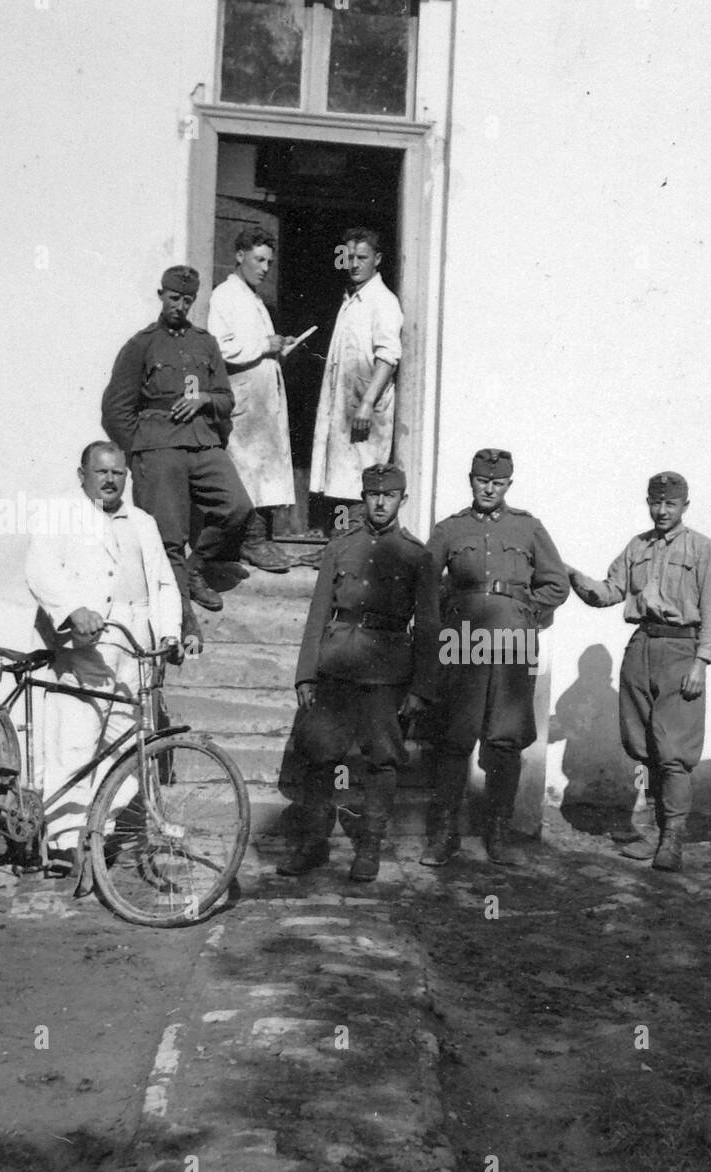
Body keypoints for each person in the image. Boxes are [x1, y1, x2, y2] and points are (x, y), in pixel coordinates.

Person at [24, 442, 193, 875]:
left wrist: (170, 632)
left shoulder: (143, 523)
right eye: (101, 472)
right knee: (76, 742)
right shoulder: (62, 516)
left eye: (118, 473)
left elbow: (163, 584)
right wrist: (71, 611)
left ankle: (98, 829)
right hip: (84, 649)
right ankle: (62, 842)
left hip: (134, 651)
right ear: (82, 474)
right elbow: (41, 571)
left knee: (130, 747)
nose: (111, 479)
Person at [277, 464, 439, 882]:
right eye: (372, 495)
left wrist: (421, 687)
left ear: (403, 499)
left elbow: (428, 627)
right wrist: (305, 674)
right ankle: (313, 844)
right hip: (337, 667)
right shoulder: (339, 547)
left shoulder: (417, 555)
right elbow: (318, 614)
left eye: (389, 496)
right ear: (363, 497)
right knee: (318, 754)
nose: (380, 503)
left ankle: (369, 848)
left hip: (386, 671)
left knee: (382, 761)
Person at [567, 471, 711, 871]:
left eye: (670, 504)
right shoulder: (637, 546)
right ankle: (654, 835)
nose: (661, 510)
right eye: (655, 503)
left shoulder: (702, 549)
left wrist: (701, 662)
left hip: (682, 650)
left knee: (673, 752)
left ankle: (672, 839)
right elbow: (609, 591)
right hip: (641, 647)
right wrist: (571, 577)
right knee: (643, 746)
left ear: (685, 506)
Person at [421, 448, 569, 867]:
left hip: (513, 641)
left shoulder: (529, 528)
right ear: (471, 480)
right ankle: (445, 833)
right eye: (482, 481)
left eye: (498, 483)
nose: (489, 488)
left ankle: (498, 831)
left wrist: (526, 615)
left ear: (508, 485)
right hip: (462, 638)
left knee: (505, 738)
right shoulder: (450, 529)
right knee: (454, 736)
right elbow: (427, 586)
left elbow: (556, 584)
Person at [101, 265, 254, 633]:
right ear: (161, 295)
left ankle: (197, 569)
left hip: (203, 442)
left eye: (187, 300)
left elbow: (226, 399)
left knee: (238, 507)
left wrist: (204, 398)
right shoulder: (141, 345)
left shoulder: (206, 343)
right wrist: (140, 451)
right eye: (174, 298)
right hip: (158, 449)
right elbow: (115, 410)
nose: (180, 306)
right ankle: (182, 618)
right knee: (167, 536)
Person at [207, 226, 297, 568]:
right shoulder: (225, 296)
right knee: (249, 469)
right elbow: (220, 346)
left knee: (265, 468)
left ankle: (262, 539)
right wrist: (264, 345)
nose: (264, 268)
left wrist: (277, 350)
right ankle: (249, 542)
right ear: (239, 255)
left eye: (268, 262)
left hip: (262, 399)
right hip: (244, 401)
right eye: (258, 260)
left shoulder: (253, 298)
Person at [310, 228, 403, 530]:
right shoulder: (351, 300)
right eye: (349, 257)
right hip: (344, 406)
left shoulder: (383, 301)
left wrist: (366, 404)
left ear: (377, 259)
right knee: (340, 477)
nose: (354, 264)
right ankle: (337, 544)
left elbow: (388, 357)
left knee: (358, 476)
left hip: (365, 408)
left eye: (361, 257)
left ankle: (348, 547)